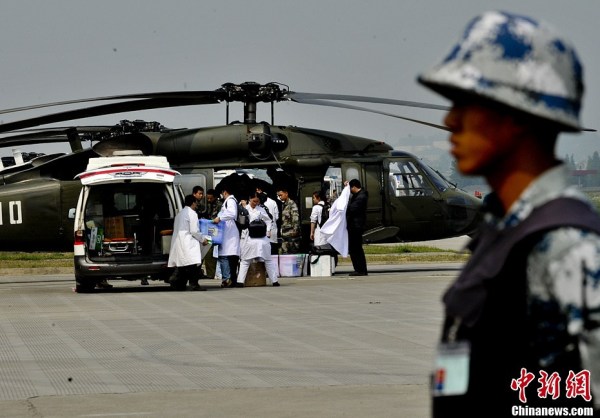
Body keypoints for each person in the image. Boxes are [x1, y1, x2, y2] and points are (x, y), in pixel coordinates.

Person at [418, 11, 600, 415]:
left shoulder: (566, 247)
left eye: (467, 103)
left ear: (515, 116)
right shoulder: (502, 232)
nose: (450, 120)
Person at [236, 192, 280, 287]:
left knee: (268, 259)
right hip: (248, 238)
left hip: (262, 238)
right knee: (245, 260)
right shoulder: (244, 209)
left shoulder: (261, 210)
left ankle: (274, 280)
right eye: (253, 201)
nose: (255, 203)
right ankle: (240, 281)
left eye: (257, 201)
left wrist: (268, 231)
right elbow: (240, 223)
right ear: (249, 199)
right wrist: (243, 209)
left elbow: (269, 221)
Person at [167, 194, 208, 291]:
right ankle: (194, 284)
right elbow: (194, 230)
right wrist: (203, 239)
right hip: (188, 241)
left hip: (179, 242)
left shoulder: (180, 214)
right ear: (193, 203)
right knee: (193, 264)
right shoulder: (192, 214)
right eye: (196, 203)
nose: (197, 205)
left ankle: (180, 284)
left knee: (183, 264)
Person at [213, 186, 240, 288]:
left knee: (228, 256)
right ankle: (231, 279)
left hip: (230, 233)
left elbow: (232, 214)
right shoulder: (229, 201)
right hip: (228, 233)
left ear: (224, 192)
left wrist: (220, 218)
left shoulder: (230, 201)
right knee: (230, 256)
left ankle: (230, 279)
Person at [346, 179, 368, 276]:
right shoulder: (357, 195)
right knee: (354, 248)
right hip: (353, 225)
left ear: (354, 187)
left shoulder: (361, 196)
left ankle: (360, 269)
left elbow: (352, 208)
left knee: (356, 248)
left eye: (350, 188)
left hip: (356, 226)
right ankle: (359, 269)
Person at [202, 188, 222, 280]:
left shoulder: (219, 205)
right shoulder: (206, 205)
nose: (209, 200)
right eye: (208, 198)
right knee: (208, 251)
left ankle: (211, 273)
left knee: (211, 251)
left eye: (211, 198)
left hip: (215, 231)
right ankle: (210, 273)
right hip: (208, 230)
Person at [256, 186, 280, 255]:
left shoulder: (257, 204)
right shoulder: (273, 202)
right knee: (272, 253)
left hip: (262, 232)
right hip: (272, 231)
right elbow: (277, 217)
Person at [277, 187, 301, 254]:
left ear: (286, 193)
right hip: (285, 234)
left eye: (281, 195)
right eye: (279, 196)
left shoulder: (292, 204)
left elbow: (295, 218)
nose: (280, 197)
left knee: (292, 254)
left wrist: (295, 230)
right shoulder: (284, 205)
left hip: (291, 234)